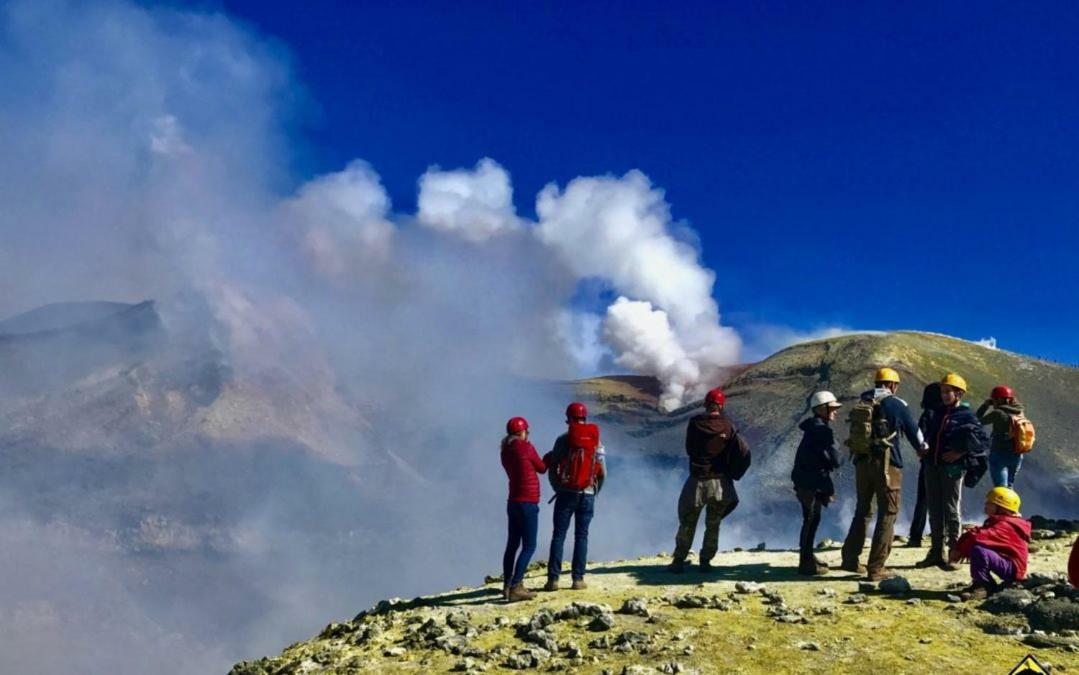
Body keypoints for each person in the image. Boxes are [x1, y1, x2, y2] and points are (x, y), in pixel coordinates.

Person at [840, 368, 926, 581]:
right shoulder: (896, 404)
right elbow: (915, 433)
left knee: (863, 510)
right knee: (888, 512)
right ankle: (876, 567)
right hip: (887, 465)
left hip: (861, 462)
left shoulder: (864, 401)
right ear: (893, 385)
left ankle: (850, 559)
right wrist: (923, 448)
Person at [668, 387, 750, 573]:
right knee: (713, 524)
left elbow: (689, 449)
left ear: (706, 404)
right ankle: (705, 561)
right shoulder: (728, 426)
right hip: (720, 483)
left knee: (688, 522)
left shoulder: (695, 423)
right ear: (721, 406)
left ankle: (679, 560)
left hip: (697, 480)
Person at [916, 373, 990, 571]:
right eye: (942, 391)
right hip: (931, 465)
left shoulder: (967, 416)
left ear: (959, 394)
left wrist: (960, 452)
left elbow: (983, 443)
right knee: (934, 508)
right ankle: (935, 552)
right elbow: (930, 435)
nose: (944, 395)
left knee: (950, 510)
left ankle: (954, 552)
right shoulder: (937, 414)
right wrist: (925, 447)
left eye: (948, 391)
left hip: (952, 469)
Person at [542, 402, 606, 591]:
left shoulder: (563, 439)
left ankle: (553, 580)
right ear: (585, 417)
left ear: (568, 418)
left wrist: (558, 488)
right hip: (587, 494)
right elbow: (603, 471)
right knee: (581, 536)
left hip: (565, 494)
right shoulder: (596, 439)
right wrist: (594, 491)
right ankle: (578, 579)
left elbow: (552, 468)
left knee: (558, 536)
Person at [790, 390, 843, 575]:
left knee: (810, 519)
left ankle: (807, 556)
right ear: (822, 409)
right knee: (812, 519)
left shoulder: (812, 428)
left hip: (805, 481)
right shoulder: (823, 431)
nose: (836, 411)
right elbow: (835, 460)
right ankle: (806, 563)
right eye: (833, 408)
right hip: (813, 482)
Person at [951, 486, 1031, 601]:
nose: (986, 505)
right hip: (1009, 564)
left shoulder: (1005, 525)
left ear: (1001, 508)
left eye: (990, 503)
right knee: (978, 548)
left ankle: (984, 586)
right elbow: (979, 534)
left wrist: (958, 551)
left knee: (979, 550)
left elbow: (978, 537)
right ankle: (980, 583)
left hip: (1013, 569)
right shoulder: (1001, 521)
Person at [500, 416, 546, 602]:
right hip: (528, 501)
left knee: (512, 544)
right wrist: (550, 458)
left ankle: (507, 585)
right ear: (523, 431)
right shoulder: (525, 447)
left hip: (513, 501)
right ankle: (516, 586)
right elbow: (542, 468)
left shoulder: (505, 450)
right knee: (529, 545)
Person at [907, 382, 942, 548]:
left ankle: (915, 537)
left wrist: (922, 452)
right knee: (946, 500)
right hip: (947, 462)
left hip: (928, 462)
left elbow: (919, 436)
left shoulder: (928, 413)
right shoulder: (949, 413)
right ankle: (943, 537)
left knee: (923, 500)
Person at [977, 385, 1026, 488]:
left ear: (999, 400)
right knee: (1009, 486)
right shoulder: (1020, 413)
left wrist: (986, 405)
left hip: (999, 454)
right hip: (1017, 455)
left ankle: (999, 504)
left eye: (994, 400)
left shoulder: (998, 413)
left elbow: (976, 420)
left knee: (1001, 489)